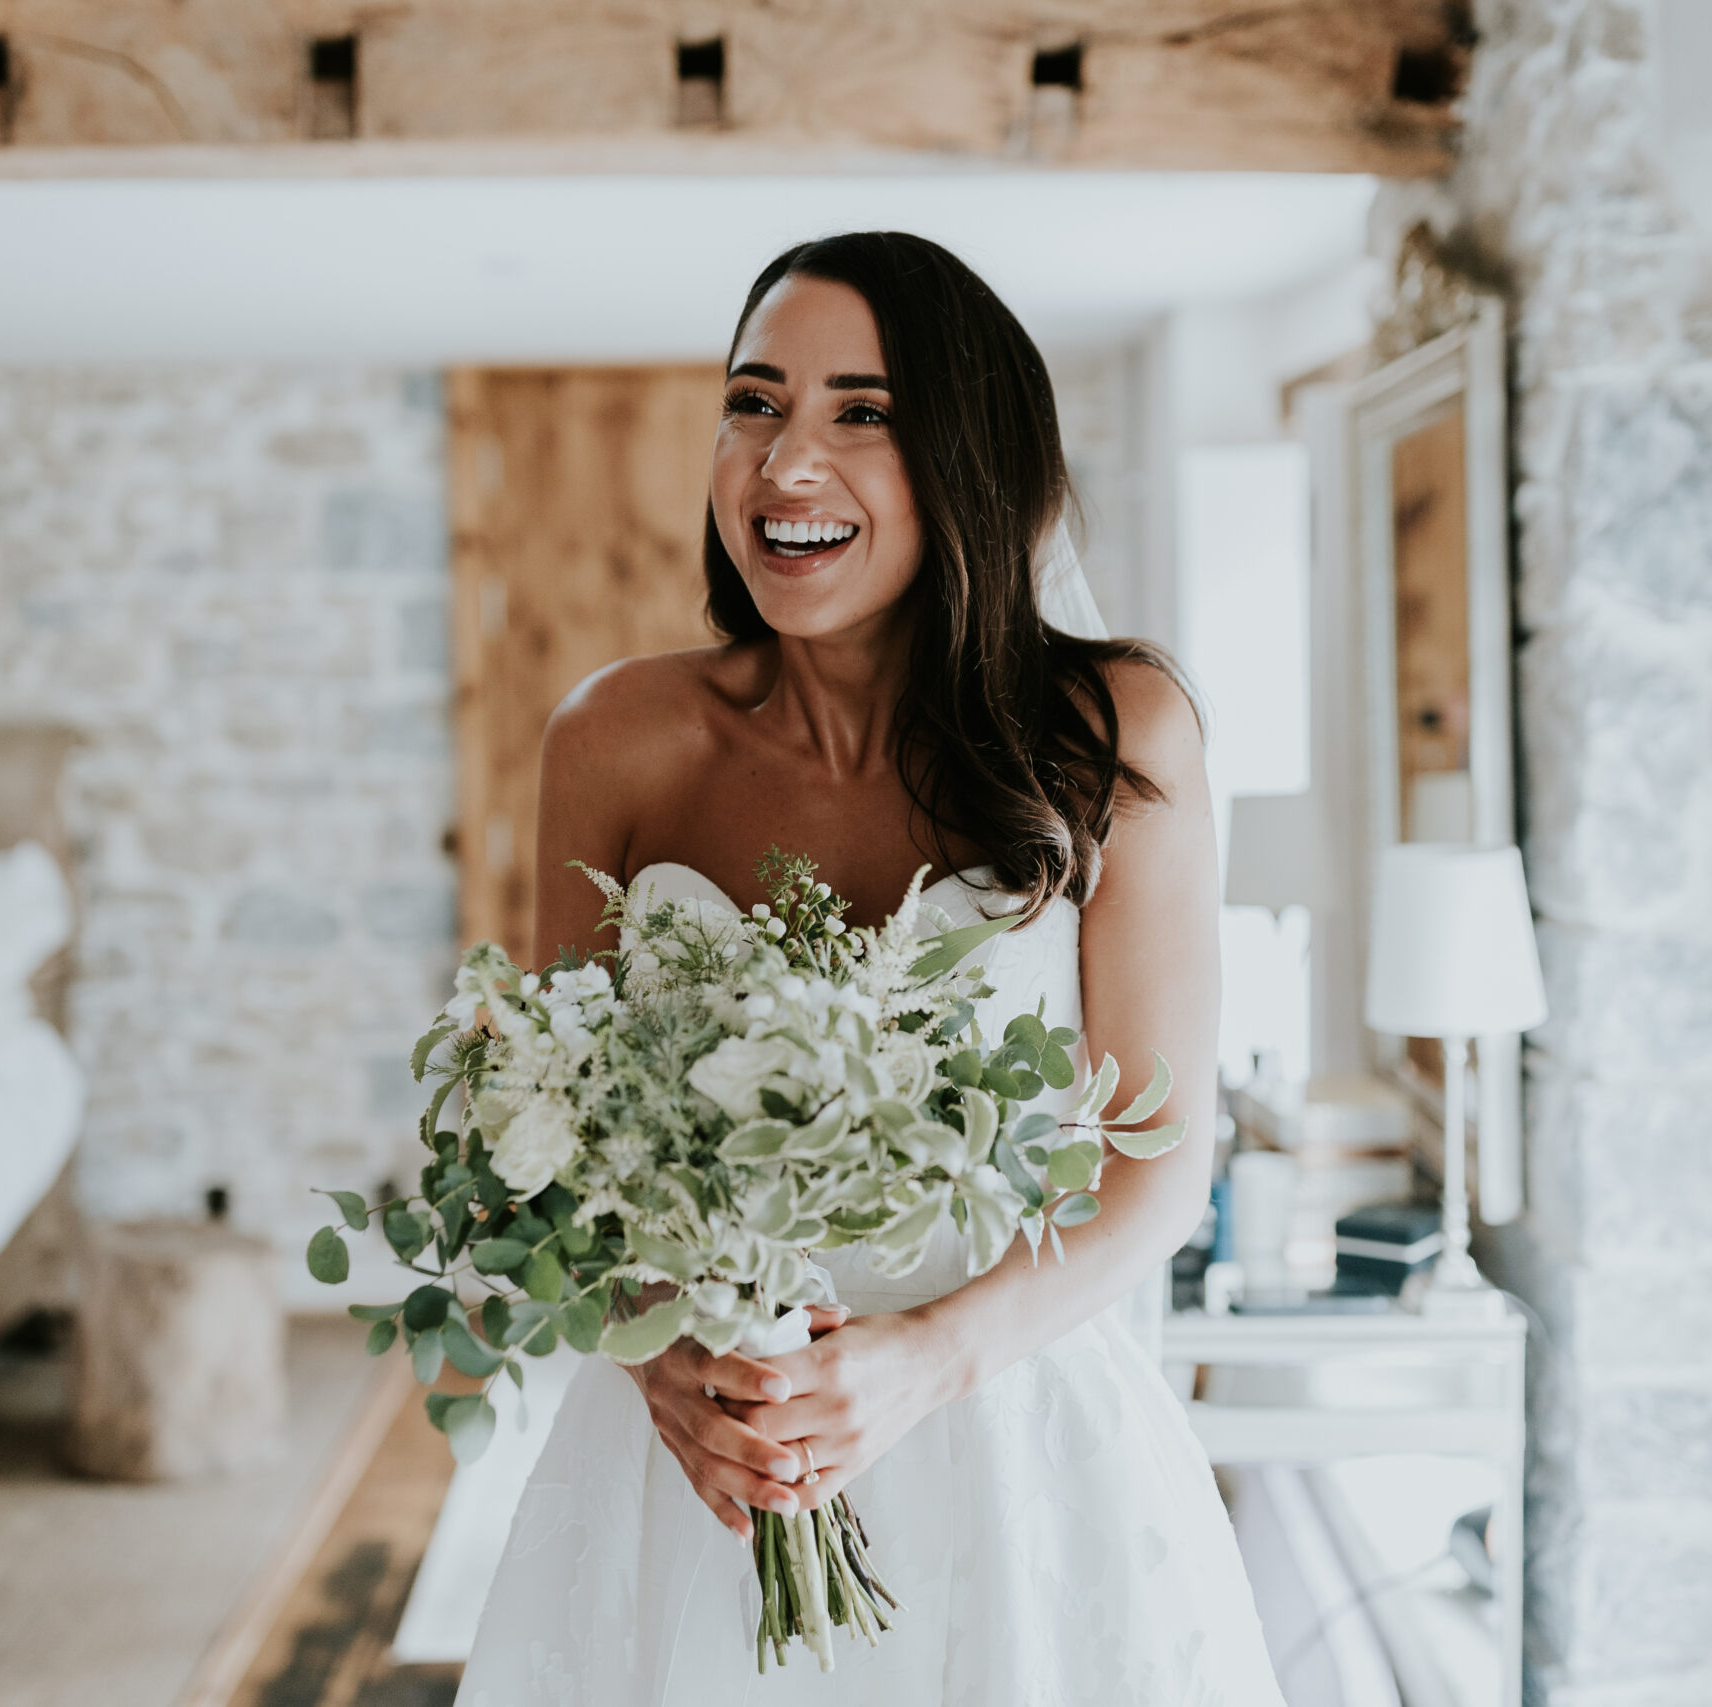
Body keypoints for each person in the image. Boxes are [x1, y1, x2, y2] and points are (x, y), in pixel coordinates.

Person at [458, 231, 1284, 1706]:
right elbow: (556, 1158)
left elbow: (1157, 1172)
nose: (785, 463)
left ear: (970, 455)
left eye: (862, 412)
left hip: (1014, 1444)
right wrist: (660, 1361)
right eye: (754, 402)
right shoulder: (614, 740)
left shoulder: (1114, 731)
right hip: (710, 1465)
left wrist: (920, 1367)